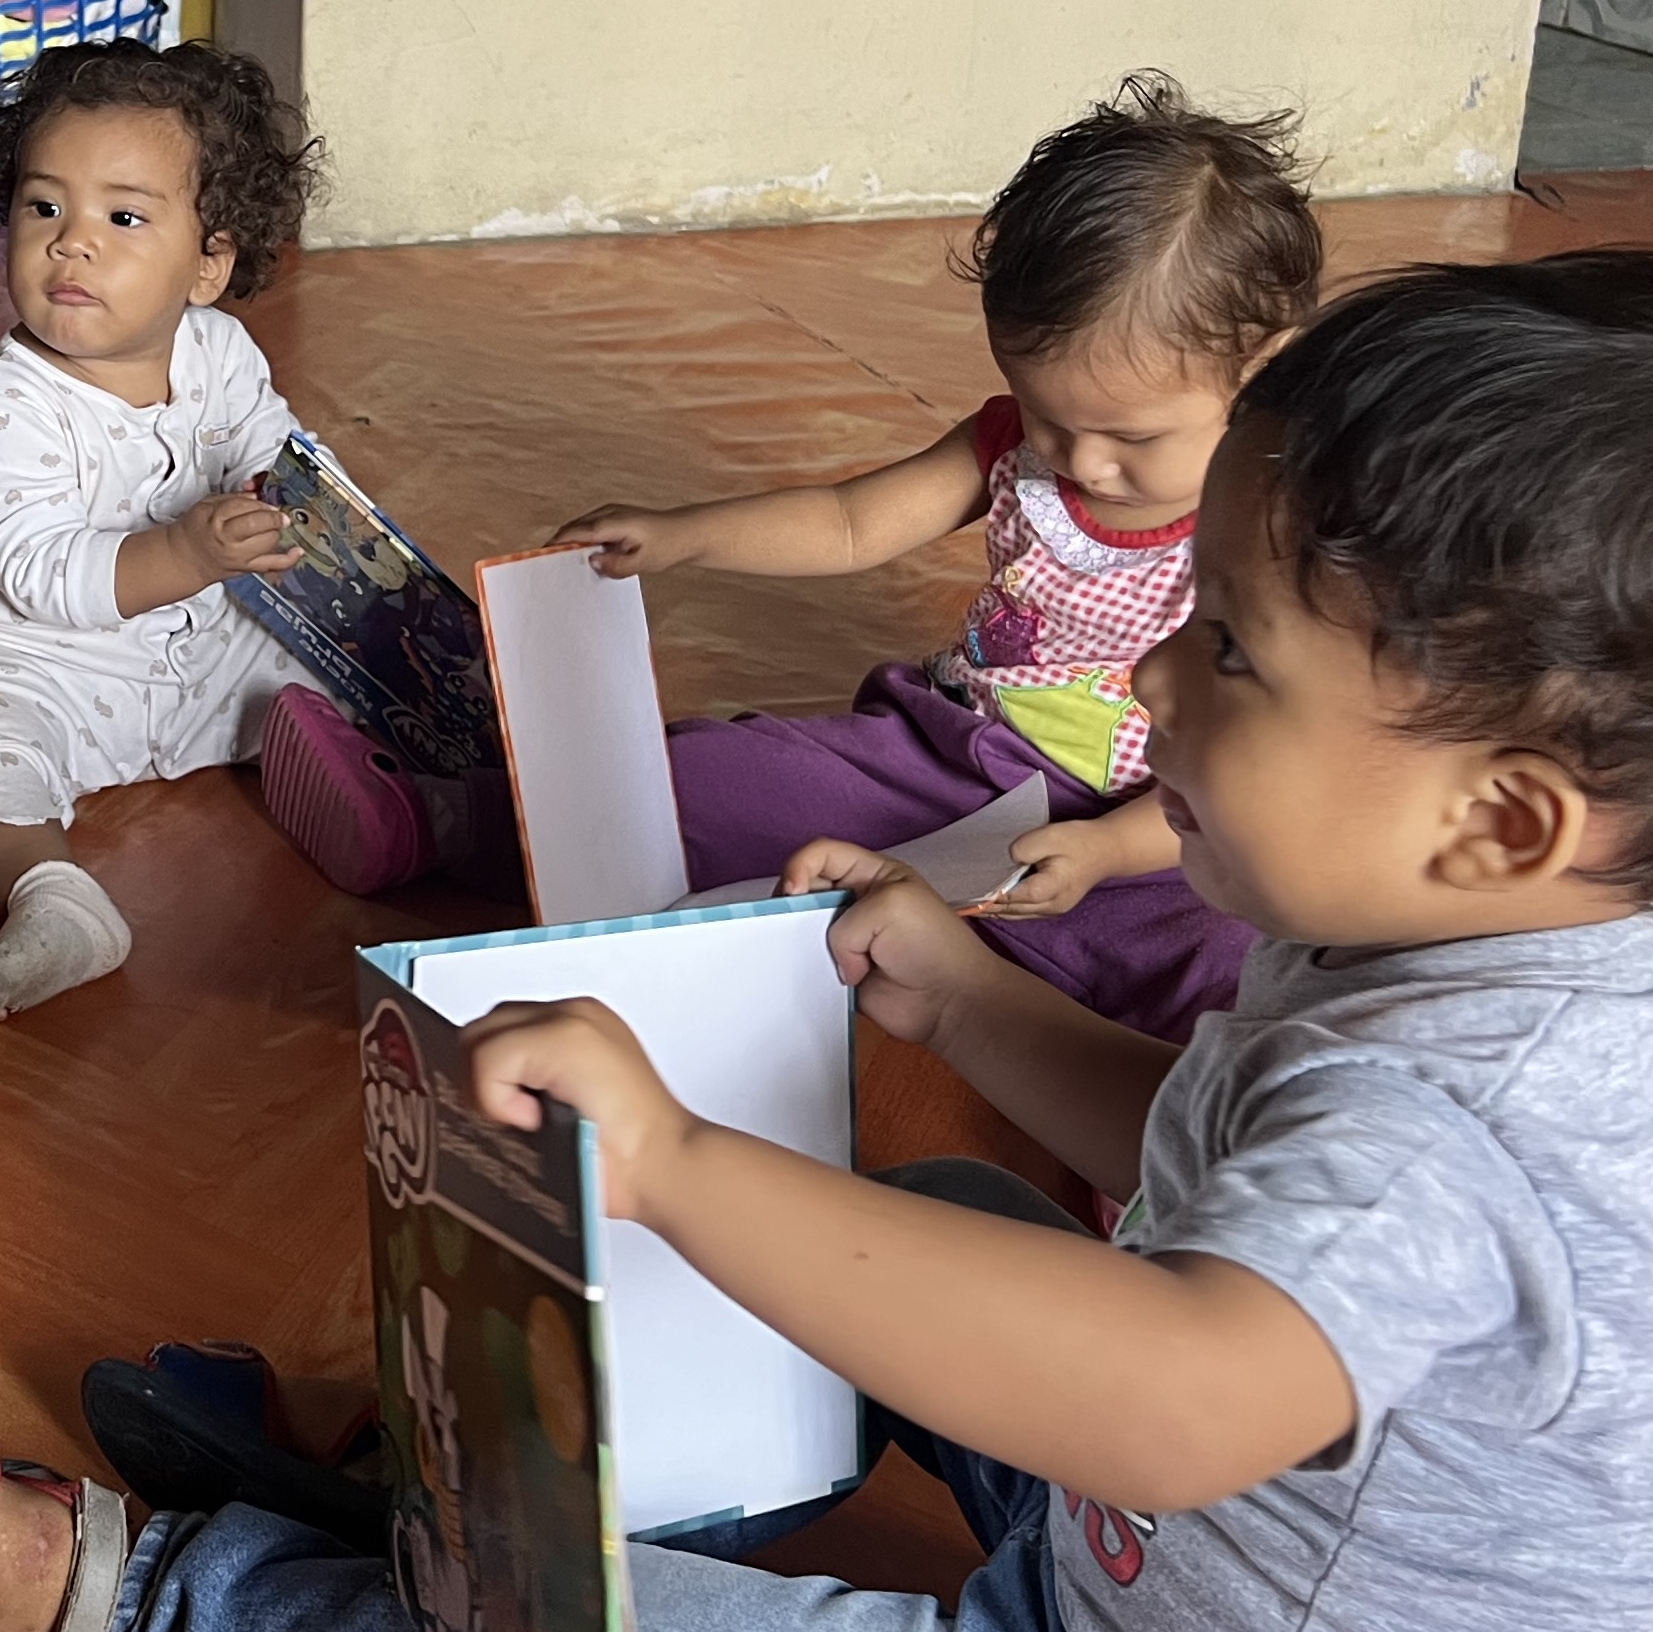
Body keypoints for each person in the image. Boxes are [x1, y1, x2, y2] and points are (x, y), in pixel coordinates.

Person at [0, 248, 1653, 1632]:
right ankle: (491, 1485)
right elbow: (1205, 1139)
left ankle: (144, 1615)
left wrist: (683, 1168)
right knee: (942, 1203)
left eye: (1231, 653)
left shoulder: (1455, 1110)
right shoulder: (1455, 942)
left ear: (1502, 816)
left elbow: (1173, 1402)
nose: (1152, 689)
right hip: (1192, 1595)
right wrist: (969, 999)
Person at [266, 75, 1318, 1044]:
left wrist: (1109, 850)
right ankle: (442, 817)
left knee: (1229, 955)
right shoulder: (1014, 451)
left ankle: (1123, 1115)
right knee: (702, 780)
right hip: (947, 758)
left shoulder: (1279, 532)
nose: (1081, 461)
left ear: (1267, 366)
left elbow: (1270, 762)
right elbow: (852, 522)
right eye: (1049, 415)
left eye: (1132, 438)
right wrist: (686, 534)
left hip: (1164, 834)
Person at [0, 40, 323, 1018]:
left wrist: (305, 520)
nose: (72, 244)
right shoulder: (2, 406)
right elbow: (43, 575)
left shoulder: (223, 351)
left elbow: (280, 456)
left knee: (333, 680)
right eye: (44, 208)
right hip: (36, 662)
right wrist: (187, 551)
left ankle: (400, 804)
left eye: (123, 217)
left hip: (199, 652)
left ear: (208, 265)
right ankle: (47, 895)